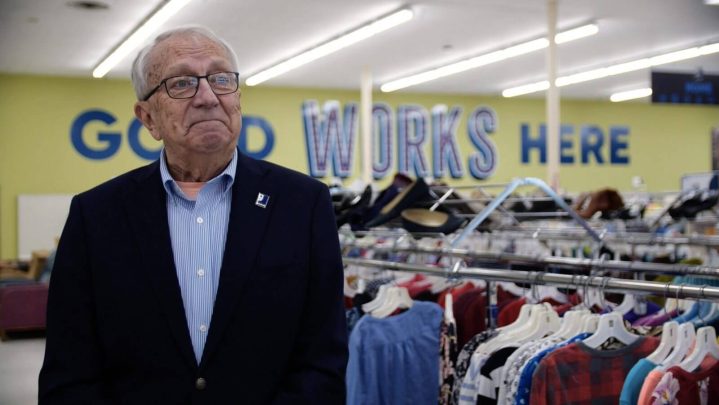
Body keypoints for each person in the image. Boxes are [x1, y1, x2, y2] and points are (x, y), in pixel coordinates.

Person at [39, 26, 348, 404]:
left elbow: (323, 359)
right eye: (182, 83)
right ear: (148, 117)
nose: (207, 97)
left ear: (238, 100)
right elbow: (69, 371)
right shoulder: (96, 216)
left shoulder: (304, 204)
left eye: (221, 79)